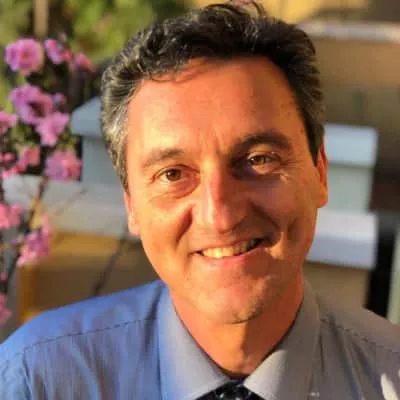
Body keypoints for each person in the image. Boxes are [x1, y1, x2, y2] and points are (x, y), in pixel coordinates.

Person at [1, 2, 399, 399]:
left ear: (320, 172)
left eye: (258, 159)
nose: (220, 216)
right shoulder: (38, 381)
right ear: (132, 205)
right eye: (173, 174)